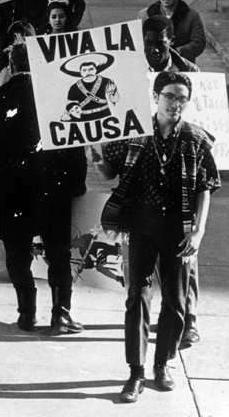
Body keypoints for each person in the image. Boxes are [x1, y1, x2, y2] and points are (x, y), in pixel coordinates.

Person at [94, 71, 220, 403]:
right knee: (137, 297)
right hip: (142, 226)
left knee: (176, 302)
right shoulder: (134, 135)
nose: (175, 104)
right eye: (169, 96)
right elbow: (109, 171)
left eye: (181, 98)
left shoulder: (195, 139)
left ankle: (163, 364)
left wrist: (199, 230)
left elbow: (205, 187)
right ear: (155, 96)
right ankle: (135, 372)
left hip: (179, 230)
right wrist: (97, 153)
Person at [0, 43, 87, 334]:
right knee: (58, 253)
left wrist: (9, 163)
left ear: (10, 66)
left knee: (17, 251)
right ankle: (60, 313)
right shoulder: (58, 97)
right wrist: (77, 183)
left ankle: (27, 312)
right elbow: (76, 143)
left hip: (13, 189)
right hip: (55, 189)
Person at [142, 15, 200, 349]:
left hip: (183, 175)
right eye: (148, 43)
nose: (153, 50)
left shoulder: (190, 73)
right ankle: (154, 312)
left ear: (170, 42)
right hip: (149, 172)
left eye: (159, 44)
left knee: (186, 252)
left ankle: (188, 319)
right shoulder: (131, 73)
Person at [139, 0, 206, 63]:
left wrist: (178, 51)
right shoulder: (144, 15)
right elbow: (138, 42)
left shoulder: (192, 16)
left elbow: (199, 42)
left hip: (183, 65)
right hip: (153, 66)